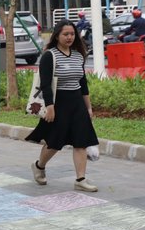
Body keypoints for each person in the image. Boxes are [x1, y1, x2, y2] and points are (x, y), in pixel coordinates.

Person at [26, 19, 99, 192]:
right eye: (65, 34)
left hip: (76, 102)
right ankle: (39, 166)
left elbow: (83, 83)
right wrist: (50, 107)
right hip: (58, 102)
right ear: (57, 35)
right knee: (54, 142)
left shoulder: (78, 55)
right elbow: (45, 84)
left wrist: (88, 107)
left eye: (72, 34)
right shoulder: (49, 55)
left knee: (81, 141)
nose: (69, 37)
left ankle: (80, 179)